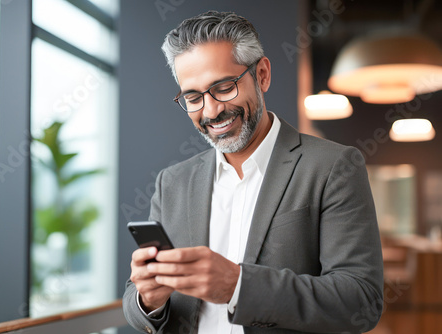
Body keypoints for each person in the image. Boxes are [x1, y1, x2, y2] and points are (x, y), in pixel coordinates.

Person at [123, 10, 383, 334]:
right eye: (193, 97)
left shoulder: (333, 167)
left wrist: (238, 286)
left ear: (261, 75)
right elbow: (135, 302)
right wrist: (149, 298)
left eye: (224, 87)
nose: (212, 110)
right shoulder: (172, 183)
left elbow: (361, 300)